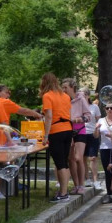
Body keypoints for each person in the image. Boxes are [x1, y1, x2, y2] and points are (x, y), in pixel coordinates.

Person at [40, 73, 74, 201]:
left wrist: (45, 135)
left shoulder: (47, 96)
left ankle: (63, 193)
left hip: (56, 130)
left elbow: (48, 116)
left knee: (60, 163)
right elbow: (69, 114)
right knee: (64, 162)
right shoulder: (65, 96)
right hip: (68, 130)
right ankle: (64, 191)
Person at [94, 100, 112, 204]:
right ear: (104, 109)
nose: (109, 110)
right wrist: (96, 129)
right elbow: (95, 136)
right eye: (107, 108)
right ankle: (109, 194)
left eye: (111, 108)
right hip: (104, 148)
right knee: (108, 172)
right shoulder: (100, 120)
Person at [83, 91, 102, 187]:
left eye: (84, 94)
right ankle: (87, 179)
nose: (82, 96)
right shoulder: (78, 107)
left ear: (88, 96)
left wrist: (97, 129)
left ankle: (95, 180)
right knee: (83, 158)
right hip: (81, 134)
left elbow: (99, 119)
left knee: (93, 157)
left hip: (92, 133)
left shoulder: (94, 107)